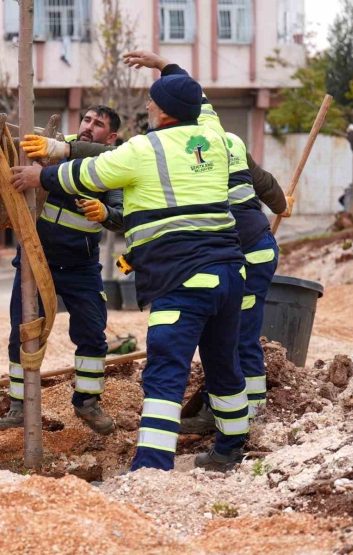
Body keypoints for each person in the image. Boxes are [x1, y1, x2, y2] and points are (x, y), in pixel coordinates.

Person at [11, 61, 249, 472]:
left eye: (152, 102)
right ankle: (230, 450)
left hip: (182, 277)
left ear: (162, 111)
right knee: (224, 366)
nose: (148, 108)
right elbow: (201, 97)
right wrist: (165, 67)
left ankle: (152, 469)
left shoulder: (144, 149)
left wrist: (41, 175)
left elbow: (89, 172)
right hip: (229, 272)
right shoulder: (212, 134)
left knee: (165, 375)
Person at [121, 52, 295, 431]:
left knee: (238, 339)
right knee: (229, 339)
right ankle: (232, 411)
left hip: (246, 251)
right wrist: (162, 63)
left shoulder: (195, 148)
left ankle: (250, 415)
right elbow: (266, 183)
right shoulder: (219, 135)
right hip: (253, 248)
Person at [0, 106, 124, 436]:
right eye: (86, 119)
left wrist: (105, 213)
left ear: (110, 137)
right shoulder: (54, 146)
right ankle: (18, 405)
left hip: (81, 266)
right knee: (23, 333)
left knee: (93, 334)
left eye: (98, 125)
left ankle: (87, 402)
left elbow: (122, 214)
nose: (88, 127)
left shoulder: (114, 163)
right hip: (34, 259)